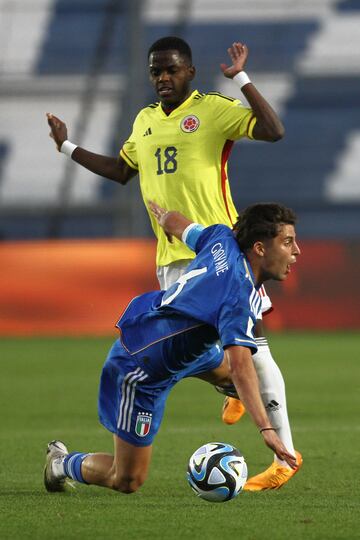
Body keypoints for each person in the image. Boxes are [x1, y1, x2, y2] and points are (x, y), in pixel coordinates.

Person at [46, 36, 299, 489]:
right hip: (171, 259)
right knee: (195, 344)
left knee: (253, 349)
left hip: (222, 252)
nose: (163, 78)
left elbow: (274, 130)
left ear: (189, 72)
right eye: (155, 72)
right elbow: (122, 172)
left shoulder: (214, 110)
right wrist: (67, 148)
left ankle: (284, 455)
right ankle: (228, 385)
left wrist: (241, 79)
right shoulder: (144, 121)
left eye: (171, 70)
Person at [44, 202, 302, 495]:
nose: (296, 251)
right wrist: (266, 429)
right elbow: (243, 366)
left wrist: (163, 217)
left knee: (241, 379)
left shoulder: (222, 238)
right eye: (288, 242)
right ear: (259, 248)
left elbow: (178, 224)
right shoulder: (237, 297)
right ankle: (61, 463)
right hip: (143, 368)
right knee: (127, 479)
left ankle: (233, 392)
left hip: (186, 347)